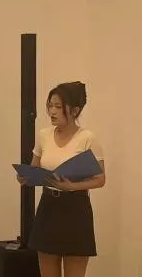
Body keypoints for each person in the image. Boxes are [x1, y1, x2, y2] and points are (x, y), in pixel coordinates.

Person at [17, 81, 105, 277]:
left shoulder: (87, 137)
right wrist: (26, 176)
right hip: (48, 207)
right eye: (50, 105)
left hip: (76, 208)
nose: (52, 111)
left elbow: (100, 179)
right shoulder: (44, 135)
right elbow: (34, 167)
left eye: (58, 106)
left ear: (74, 110)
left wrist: (71, 186)